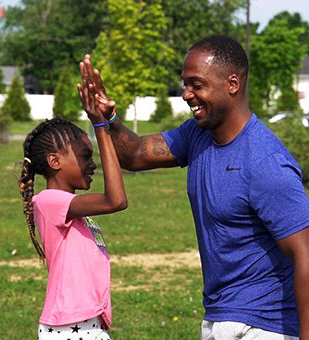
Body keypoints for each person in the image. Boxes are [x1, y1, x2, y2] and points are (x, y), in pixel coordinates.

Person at [78, 35, 309, 340]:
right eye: (185, 84)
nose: (186, 95)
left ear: (232, 84)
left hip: (262, 326)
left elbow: (305, 254)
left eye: (196, 85)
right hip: (219, 317)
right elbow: (133, 154)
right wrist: (108, 118)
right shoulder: (197, 135)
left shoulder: (265, 162)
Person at [18, 84, 127, 339]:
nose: (93, 164)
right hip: (68, 327)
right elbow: (116, 200)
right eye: (85, 156)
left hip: (87, 323)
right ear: (54, 161)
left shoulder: (72, 208)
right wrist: (101, 128)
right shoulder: (49, 201)